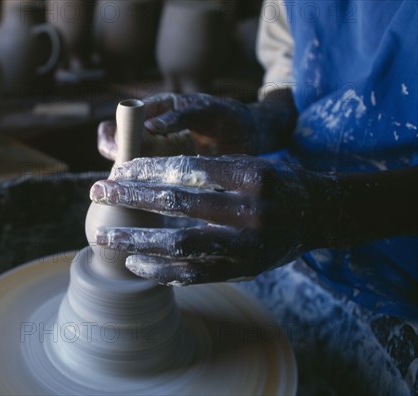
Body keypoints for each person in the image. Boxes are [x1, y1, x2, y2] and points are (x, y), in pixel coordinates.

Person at [90, 0, 418, 320]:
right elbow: (289, 69)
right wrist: (259, 122)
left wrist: (328, 211)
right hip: (281, 212)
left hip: (399, 249)